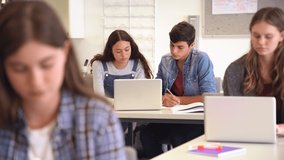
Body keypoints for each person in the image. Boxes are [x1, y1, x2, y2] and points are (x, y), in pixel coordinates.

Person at [0, 1, 126, 160]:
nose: (36, 81)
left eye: (46, 65)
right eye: (19, 68)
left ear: (65, 53)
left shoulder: (97, 119)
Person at [140, 21, 216, 158]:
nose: (174, 51)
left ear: (192, 45)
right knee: (146, 135)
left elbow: (209, 97)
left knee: (178, 137)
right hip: (171, 117)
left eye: (180, 47)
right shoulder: (165, 61)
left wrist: (178, 100)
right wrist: (162, 98)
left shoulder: (202, 59)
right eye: (172, 45)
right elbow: (157, 89)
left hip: (194, 120)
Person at [223, 7, 284, 136]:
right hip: (249, 139)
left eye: (268, 37)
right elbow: (232, 117)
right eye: (256, 36)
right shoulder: (235, 70)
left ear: (282, 36)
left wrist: (278, 129)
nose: (261, 42)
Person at [91, 29, 153, 98]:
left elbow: (139, 95)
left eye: (127, 50)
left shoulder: (138, 64)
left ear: (131, 47)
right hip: (106, 107)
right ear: (111, 50)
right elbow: (100, 98)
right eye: (118, 51)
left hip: (131, 106)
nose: (124, 55)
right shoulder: (98, 65)